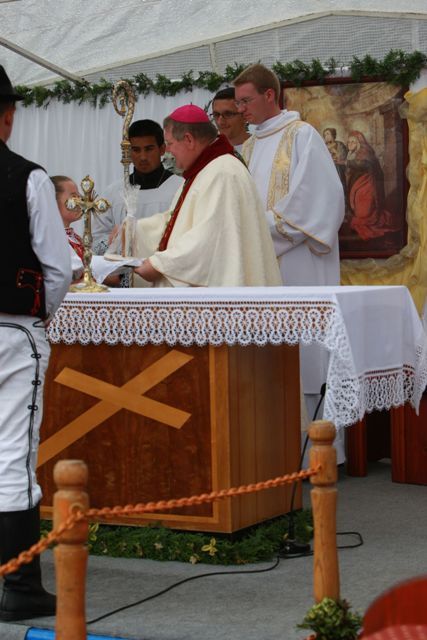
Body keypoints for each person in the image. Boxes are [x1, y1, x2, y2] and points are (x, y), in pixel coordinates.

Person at [234, 64, 345, 459]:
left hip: (299, 266)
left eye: (246, 100)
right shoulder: (247, 148)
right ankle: (274, 452)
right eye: (238, 102)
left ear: (270, 95)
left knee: (306, 357)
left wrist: (257, 233)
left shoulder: (302, 136)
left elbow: (318, 203)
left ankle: (318, 452)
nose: (241, 109)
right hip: (262, 270)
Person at [0, 66, 72, 621]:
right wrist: (36, 314)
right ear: (7, 116)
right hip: (10, 330)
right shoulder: (27, 177)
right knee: (12, 456)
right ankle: (19, 585)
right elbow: (57, 268)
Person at [132, 104, 281, 287]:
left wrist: (159, 265)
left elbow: (209, 240)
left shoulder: (222, 173)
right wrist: (133, 230)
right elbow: (175, 221)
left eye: (170, 143)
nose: (168, 151)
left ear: (188, 139)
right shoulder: (205, 170)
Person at [92, 119, 183, 255]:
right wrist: (116, 241)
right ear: (128, 151)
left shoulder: (179, 188)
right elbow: (96, 240)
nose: (143, 157)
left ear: (162, 149)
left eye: (149, 149)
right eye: (136, 150)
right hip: (122, 267)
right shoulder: (114, 193)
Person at [346, 130, 396, 240]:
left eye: (353, 142)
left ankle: (368, 218)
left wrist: (347, 163)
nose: (350, 144)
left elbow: (364, 164)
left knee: (362, 212)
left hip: (368, 185)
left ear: (359, 143)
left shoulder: (365, 152)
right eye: (348, 142)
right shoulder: (352, 153)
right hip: (359, 184)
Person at [50, 175, 85, 280]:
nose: (80, 201)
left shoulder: (75, 238)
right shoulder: (52, 239)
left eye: (79, 196)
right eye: (74, 197)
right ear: (53, 202)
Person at [211, 87, 250, 154]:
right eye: (216, 114)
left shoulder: (260, 148)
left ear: (244, 116)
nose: (220, 122)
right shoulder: (209, 152)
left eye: (228, 114)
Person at [323, 127, 347, 195]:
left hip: (338, 169)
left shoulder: (340, 144)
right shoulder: (323, 146)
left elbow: (343, 156)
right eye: (325, 135)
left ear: (333, 135)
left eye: (328, 134)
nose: (326, 136)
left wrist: (335, 152)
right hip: (327, 169)